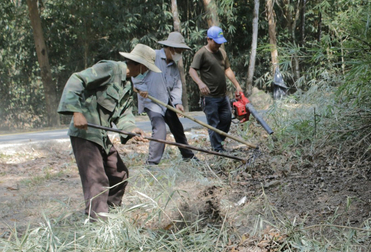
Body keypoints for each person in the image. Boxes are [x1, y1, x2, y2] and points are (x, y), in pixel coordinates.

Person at [57, 44, 160, 220]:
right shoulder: (109, 68)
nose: (146, 72)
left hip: (100, 136)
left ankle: (111, 214)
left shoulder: (127, 86)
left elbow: (123, 115)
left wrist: (131, 130)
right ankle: (98, 222)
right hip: (85, 133)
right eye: (147, 68)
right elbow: (77, 79)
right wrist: (76, 111)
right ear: (141, 65)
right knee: (97, 179)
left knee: (118, 173)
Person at [133, 32, 197, 165]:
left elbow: (176, 86)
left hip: (166, 102)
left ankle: (188, 156)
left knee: (177, 127)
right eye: (178, 51)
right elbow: (136, 72)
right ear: (170, 48)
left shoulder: (173, 66)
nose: (179, 54)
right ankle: (152, 163)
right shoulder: (153, 56)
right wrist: (141, 88)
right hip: (152, 102)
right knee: (160, 128)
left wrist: (177, 103)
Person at [189, 26, 243, 152]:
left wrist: (237, 85)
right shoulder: (201, 53)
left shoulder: (222, 53)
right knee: (213, 123)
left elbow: (227, 70)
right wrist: (200, 83)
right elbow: (192, 70)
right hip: (210, 97)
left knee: (227, 119)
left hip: (222, 95)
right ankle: (217, 149)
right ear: (208, 39)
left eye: (220, 42)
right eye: (216, 42)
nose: (219, 45)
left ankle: (219, 143)